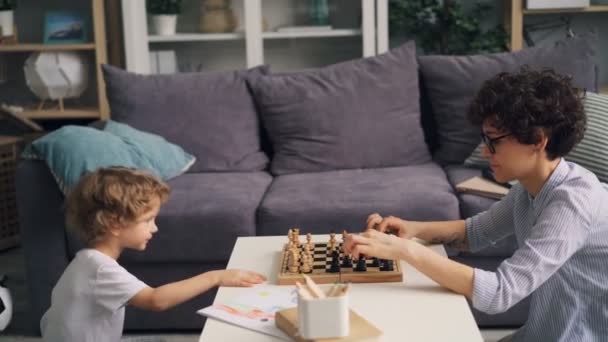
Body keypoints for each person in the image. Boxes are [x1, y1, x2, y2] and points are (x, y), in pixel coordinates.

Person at [344, 68, 608, 341]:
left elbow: (499, 293)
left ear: (538, 141)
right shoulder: (530, 188)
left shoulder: (573, 204)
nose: (485, 151)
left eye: (493, 141)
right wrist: (414, 229)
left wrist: (406, 251)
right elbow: (475, 233)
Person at [41, 167, 266, 342]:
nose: (154, 228)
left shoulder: (86, 261)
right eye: (147, 220)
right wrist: (215, 277)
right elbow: (156, 300)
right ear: (114, 224)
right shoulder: (100, 268)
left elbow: (49, 320)